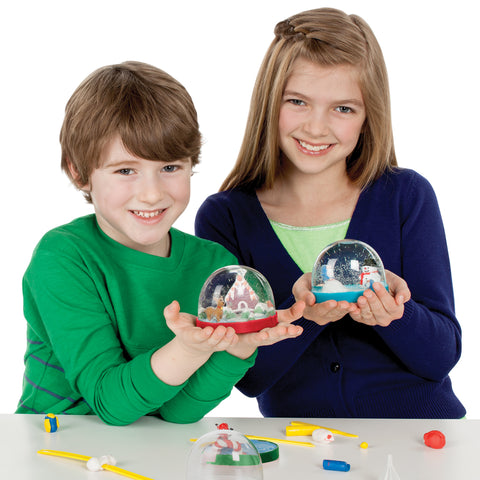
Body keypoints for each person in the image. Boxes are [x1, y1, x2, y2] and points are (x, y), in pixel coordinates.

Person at [195, 8, 466, 418]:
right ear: (270, 102)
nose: (317, 128)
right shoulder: (226, 217)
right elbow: (246, 377)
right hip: (301, 447)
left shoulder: (406, 196)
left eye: (343, 109)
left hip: (421, 437)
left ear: (368, 117)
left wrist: (396, 314)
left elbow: (442, 355)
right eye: (298, 102)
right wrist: (305, 315)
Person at [16, 61, 304, 426]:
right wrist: (186, 348)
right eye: (125, 170)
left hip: (150, 452)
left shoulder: (215, 267)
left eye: (170, 168)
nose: (151, 194)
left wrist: (240, 347)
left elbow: (177, 414)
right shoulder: (63, 257)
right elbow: (111, 405)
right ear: (79, 172)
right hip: (55, 446)